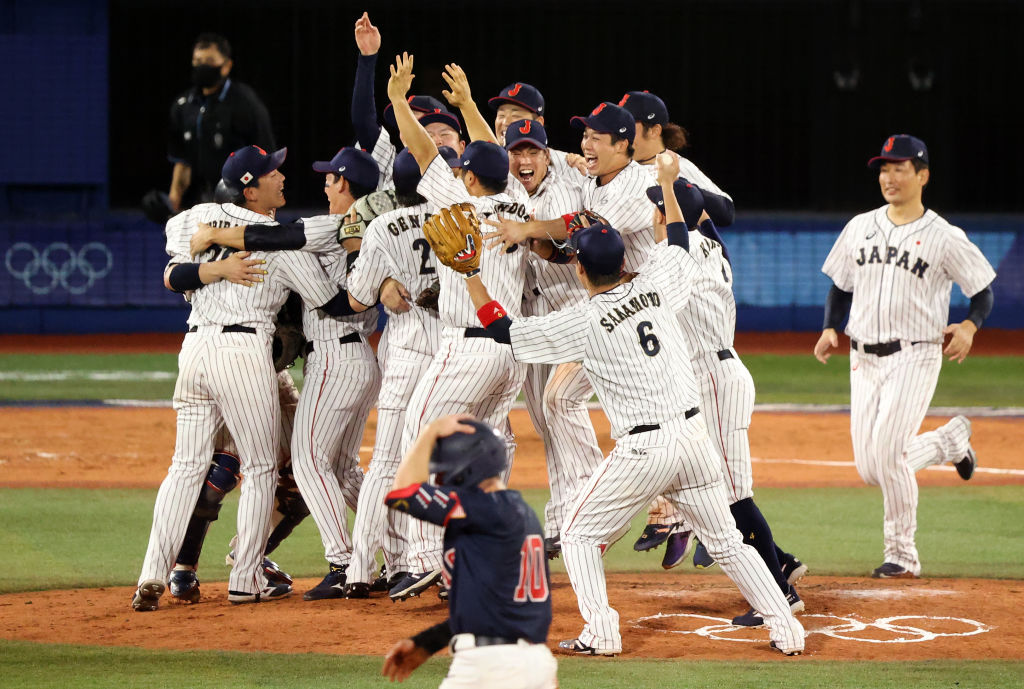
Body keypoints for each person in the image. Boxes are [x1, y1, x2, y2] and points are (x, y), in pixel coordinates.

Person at [423, 170, 805, 655]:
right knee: (728, 541)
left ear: (579, 271)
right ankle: (787, 629)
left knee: (578, 535)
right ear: (624, 260)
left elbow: (504, 331)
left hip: (645, 450)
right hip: (694, 440)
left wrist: (470, 275)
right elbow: (678, 239)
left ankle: (601, 632)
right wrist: (669, 184)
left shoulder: (583, 321)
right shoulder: (657, 285)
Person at [132, 145, 366, 610]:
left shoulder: (194, 219)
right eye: (272, 172)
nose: (282, 176)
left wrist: (211, 268)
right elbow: (331, 302)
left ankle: (152, 573)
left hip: (194, 350)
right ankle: (245, 579)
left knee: (185, 466)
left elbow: (174, 276)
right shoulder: (279, 241)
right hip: (243, 352)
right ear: (250, 189)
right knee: (261, 468)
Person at [383, 53, 532, 601]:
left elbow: (421, 149)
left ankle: (427, 557)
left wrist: (398, 100)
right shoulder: (517, 202)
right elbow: (489, 154)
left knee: (419, 435)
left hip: (466, 347)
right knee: (486, 455)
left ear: (468, 176)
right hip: (510, 351)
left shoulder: (459, 200)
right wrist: (468, 104)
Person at [814, 134, 995, 579]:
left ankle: (902, 555)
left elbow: (982, 291)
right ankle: (949, 442)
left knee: (890, 454)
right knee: (870, 468)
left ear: (923, 176)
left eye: (899, 168)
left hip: (915, 355)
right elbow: (840, 286)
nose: (889, 177)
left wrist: (970, 326)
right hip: (863, 358)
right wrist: (830, 327)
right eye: (884, 169)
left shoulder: (944, 237)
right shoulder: (860, 226)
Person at [646, 160, 805, 625]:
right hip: (713, 373)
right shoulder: (710, 244)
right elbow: (703, 222)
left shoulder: (680, 253)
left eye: (660, 209)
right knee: (712, 488)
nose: (654, 215)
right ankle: (781, 563)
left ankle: (779, 594)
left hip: (712, 378)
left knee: (735, 495)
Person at [381, 415, 557, 689]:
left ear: (464, 469)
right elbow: (486, 611)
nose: (441, 479)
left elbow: (401, 493)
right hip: (536, 664)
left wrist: (430, 431)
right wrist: (426, 643)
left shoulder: (479, 507)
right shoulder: (523, 514)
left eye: (444, 470)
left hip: (489, 668)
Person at [344, 148, 444, 597]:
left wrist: (384, 280)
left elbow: (357, 298)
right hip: (451, 354)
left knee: (385, 461)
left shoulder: (382, 225)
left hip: (405, 351)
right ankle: (441, 560)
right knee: (443, 461)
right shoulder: (457, 215)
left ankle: (359, 569)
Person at [167, 33, 276, 211]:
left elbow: (266, 161)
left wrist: (263, 211)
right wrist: (172, 208)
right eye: (198, 61)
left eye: (209, 61)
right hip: (197, 204)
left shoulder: (246, 103)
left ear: (226, 66)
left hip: (239, 203)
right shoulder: (184, 105)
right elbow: (182, 164)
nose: (202, 66)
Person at [618, 90, 734, 225]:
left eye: (628, 125)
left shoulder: (677, 166)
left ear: (654, 131)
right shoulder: (612, 167)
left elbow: (726, 213)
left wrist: (678, 186)